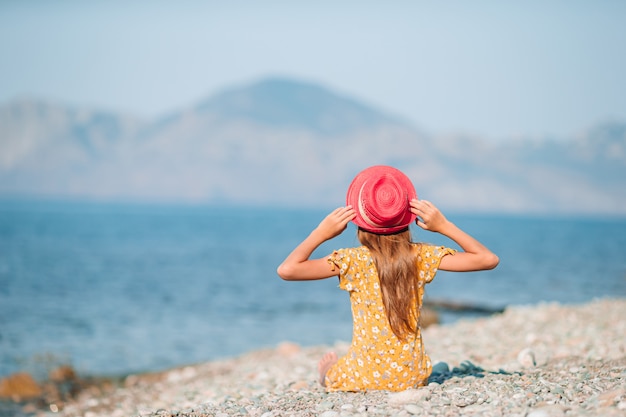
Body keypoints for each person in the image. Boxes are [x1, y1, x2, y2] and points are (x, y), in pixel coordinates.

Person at [276, 165, 499, 392]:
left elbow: (288, 270)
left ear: (359, 222)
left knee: (334, 369)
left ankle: (326, 375)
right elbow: (487, 259)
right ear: (406, 220)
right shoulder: (421, 256)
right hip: (412, 377)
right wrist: (445, 226)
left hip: (362, 376)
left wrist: (320, 233)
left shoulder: (351, 261)